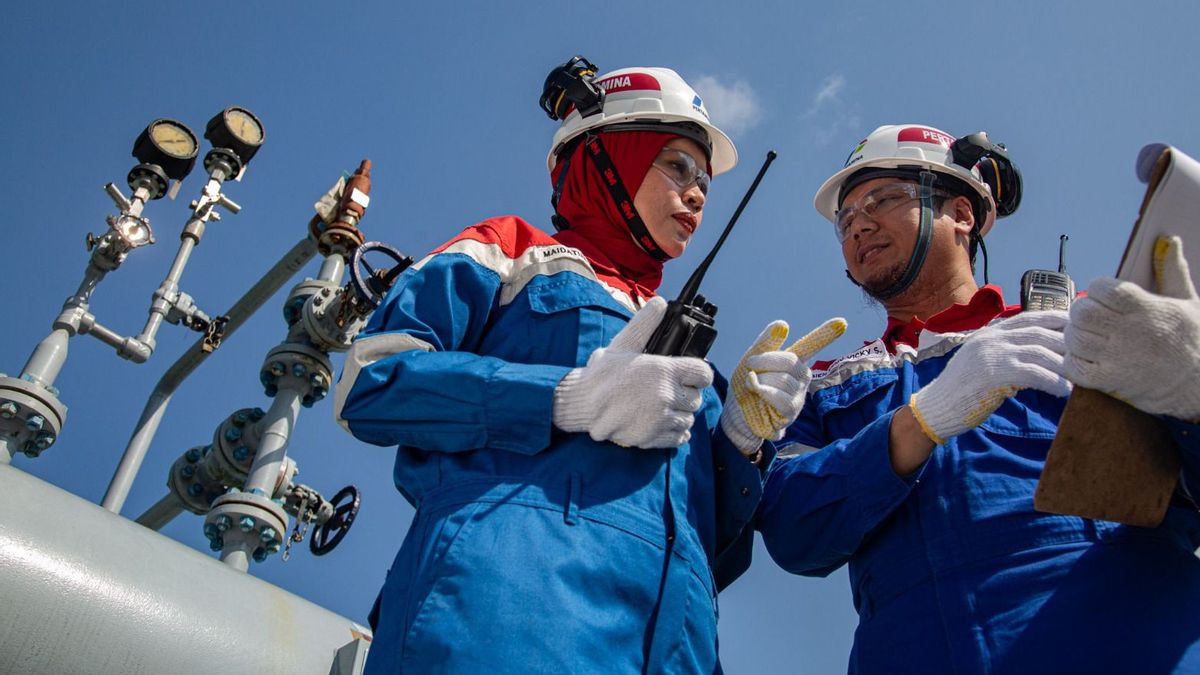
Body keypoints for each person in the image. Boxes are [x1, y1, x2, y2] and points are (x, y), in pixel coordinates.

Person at [334, 60, 838, 674]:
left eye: (705, 178)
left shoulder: (673, 332)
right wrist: (565, 397)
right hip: (506, 626)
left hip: (674, 647)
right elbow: (372, 382)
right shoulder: (508, 251)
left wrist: (739, 442)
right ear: (608, 156)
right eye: (676, 164)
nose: (699, 192)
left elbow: (712, 545)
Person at [756, 124, 1200, 673]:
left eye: (884, 199)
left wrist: (1189, 396)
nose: (858, 226)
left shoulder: (1080, 329)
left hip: (1121, 641)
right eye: (844, 221)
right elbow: (794, 534)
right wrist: (919, 422)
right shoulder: (822, 385)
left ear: (962, 214)